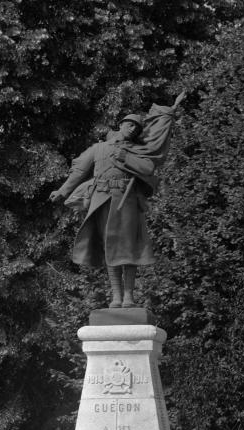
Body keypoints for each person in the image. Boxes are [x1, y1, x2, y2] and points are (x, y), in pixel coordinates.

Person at [49, 92, 186, 308]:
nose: (132, 129)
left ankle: (129, 297)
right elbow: (78, 171)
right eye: (129, 124)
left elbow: (149, 168)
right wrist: (62, 191)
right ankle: (115, 296)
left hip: (127, 200)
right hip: (101, 200)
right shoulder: (98, 148)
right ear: (121, 124)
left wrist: (126, 158)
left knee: (127, 247)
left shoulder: (138, 150)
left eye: (136, 128)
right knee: (108, 246)